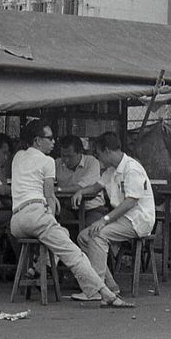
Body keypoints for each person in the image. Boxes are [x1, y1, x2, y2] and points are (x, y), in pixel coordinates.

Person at [10, 120, 133, 308]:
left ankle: (37, 268)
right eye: (49, 138)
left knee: (64, 234)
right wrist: (51, 217)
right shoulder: (48, 161)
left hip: (16, 220)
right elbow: (49, 196)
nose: (53, 142)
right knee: (75, 255)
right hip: (36, 215)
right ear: (37, 140)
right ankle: (105, 293)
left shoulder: (18, 156)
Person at [73, 131, 155, 300]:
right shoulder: (112, 170)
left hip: (137, 220)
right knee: (83, 237)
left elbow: (130, 202)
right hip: (122, 218)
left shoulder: (132, 168)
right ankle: (110, 287)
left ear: (108, 151)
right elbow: (96, 187)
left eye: (99, 153)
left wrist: (105, 220)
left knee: (98, 235)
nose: (98, 158)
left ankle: (95, 290)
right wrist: (81, 191)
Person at [55, 135, 106, 227]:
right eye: (63, 156)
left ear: (80, 153)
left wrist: (57, 189)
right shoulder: (57, 163)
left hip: (91, 208)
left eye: (70, 156)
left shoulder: (92, 162)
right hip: (67, 208)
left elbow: (79, 187)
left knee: (92, 230)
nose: (66, 160)